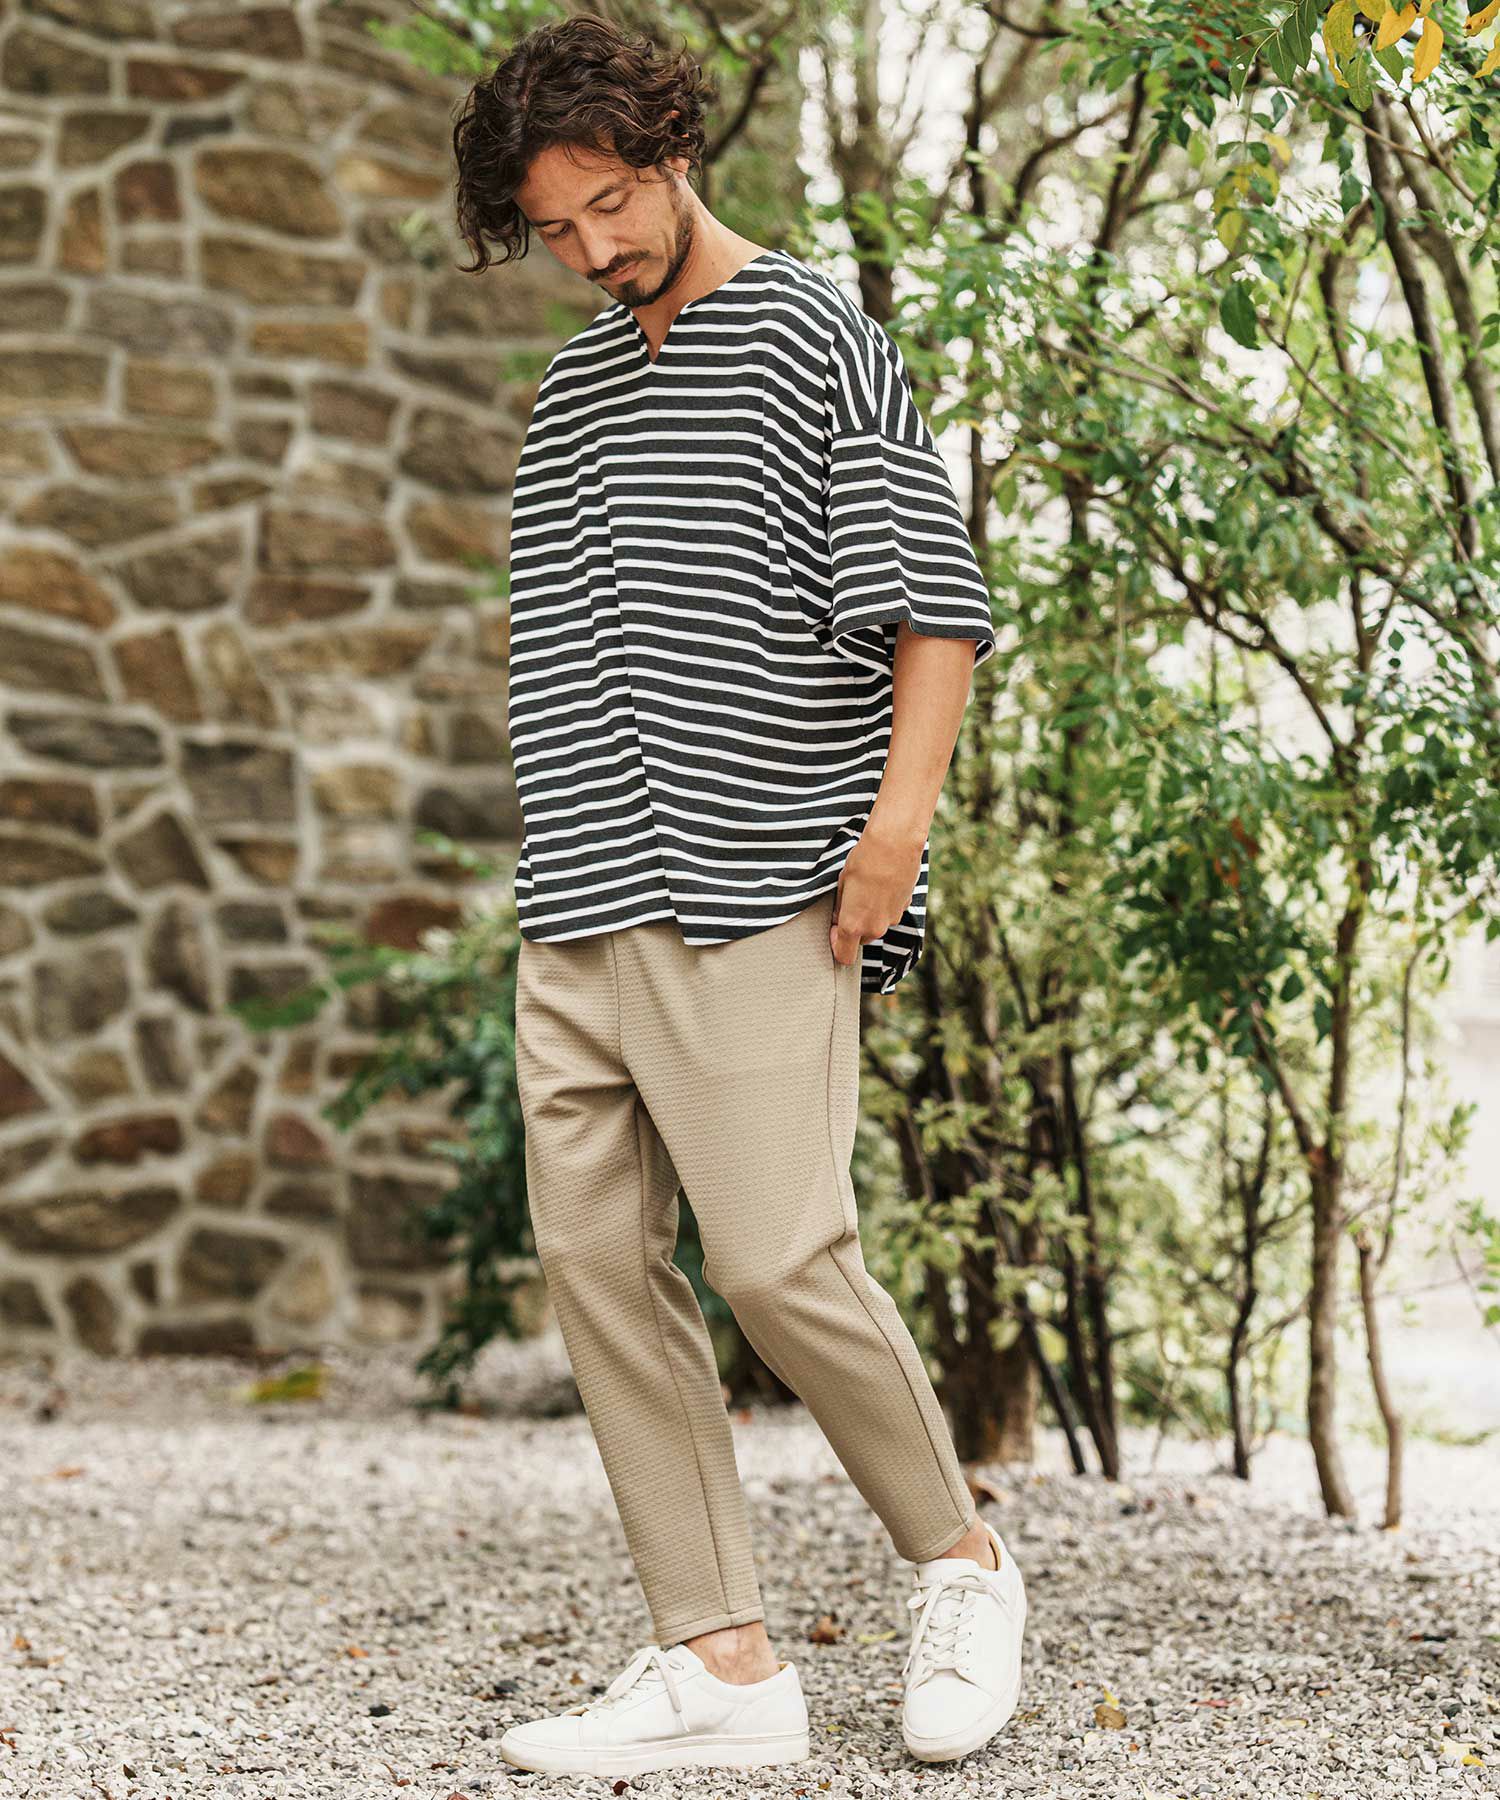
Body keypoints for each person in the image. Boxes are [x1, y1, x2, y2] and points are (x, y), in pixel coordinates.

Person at [451, 14, 1026, 1778]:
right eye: (553, 227)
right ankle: (723, 1663)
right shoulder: (577, 389)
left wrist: (894, 835)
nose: (590, 248)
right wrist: (550, 869)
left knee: (779, 1260)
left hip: (758, 875)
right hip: (582, 891)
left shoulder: (810, 335)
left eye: (610, 204)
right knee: (597, 1266)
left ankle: (964, 1563)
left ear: (670, 149)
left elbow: (934, 603)